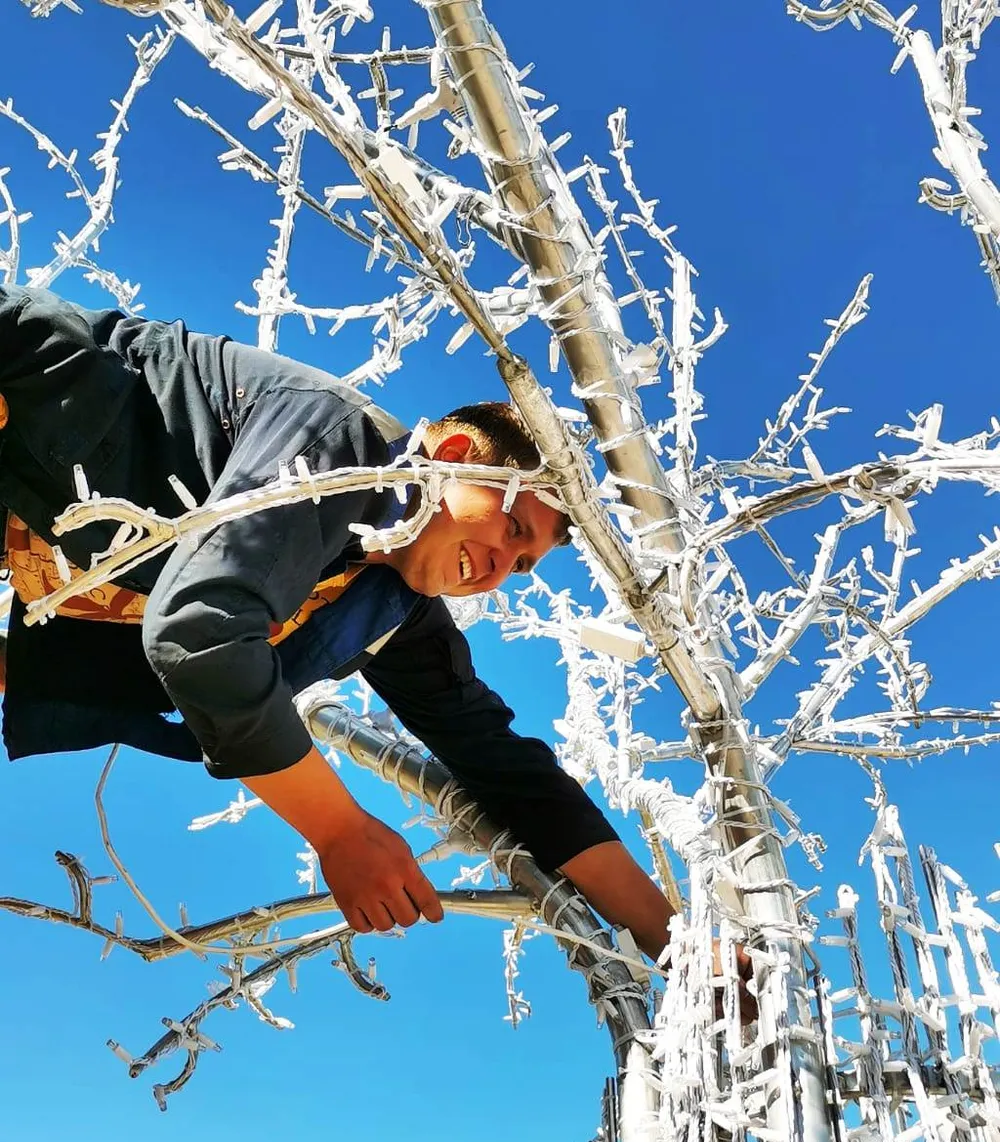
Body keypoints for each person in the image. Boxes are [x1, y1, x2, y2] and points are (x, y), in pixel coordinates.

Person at [0, 283, 680, 963]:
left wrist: (672, 943)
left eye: (522, 564)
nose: (498, 569)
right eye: (511, 528)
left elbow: (504, 768)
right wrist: (338, 828)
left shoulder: (385, 603)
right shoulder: (338, 445)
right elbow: (202, 631)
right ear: (451, 460)